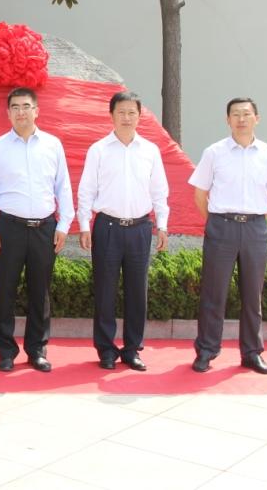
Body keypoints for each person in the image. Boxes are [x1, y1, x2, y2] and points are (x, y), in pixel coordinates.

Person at [189, 97, 267, 375]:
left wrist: (257, 219)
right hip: (221, 227)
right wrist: (216, 222)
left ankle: (252, 353)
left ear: (257, 118)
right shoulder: (214, 152)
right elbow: (200, 194)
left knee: (252, 295)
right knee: (213, 293)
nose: (241, 119)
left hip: (255, 228)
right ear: (227, 120)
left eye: (246, 114)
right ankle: (206, 351)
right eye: (235, 114)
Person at [0, 87, 74, 372]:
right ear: (8, 113)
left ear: (36, 111)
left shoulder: (53, 145)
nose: (21, 112)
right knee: (4, 291)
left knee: (40, 292)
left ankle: (37, 350)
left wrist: (64, 224)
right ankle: (6, 352)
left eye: (26, 106)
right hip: (9, 228)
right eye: (15, 107)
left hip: (45, 228)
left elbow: (63, 186)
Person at [77, 91, 169, 371]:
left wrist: (162, 224)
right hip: (107, 227)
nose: (126, 118)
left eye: (132, 113)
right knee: (105, 291)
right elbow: (86, 190)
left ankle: (132, 349)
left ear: (140, 116)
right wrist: (84, 225)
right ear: (111, 115)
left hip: (140, 228)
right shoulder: (99, 150)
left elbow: (159, 191)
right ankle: (106, 349)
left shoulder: (150, 150)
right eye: (121, 112)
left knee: (137, 292)